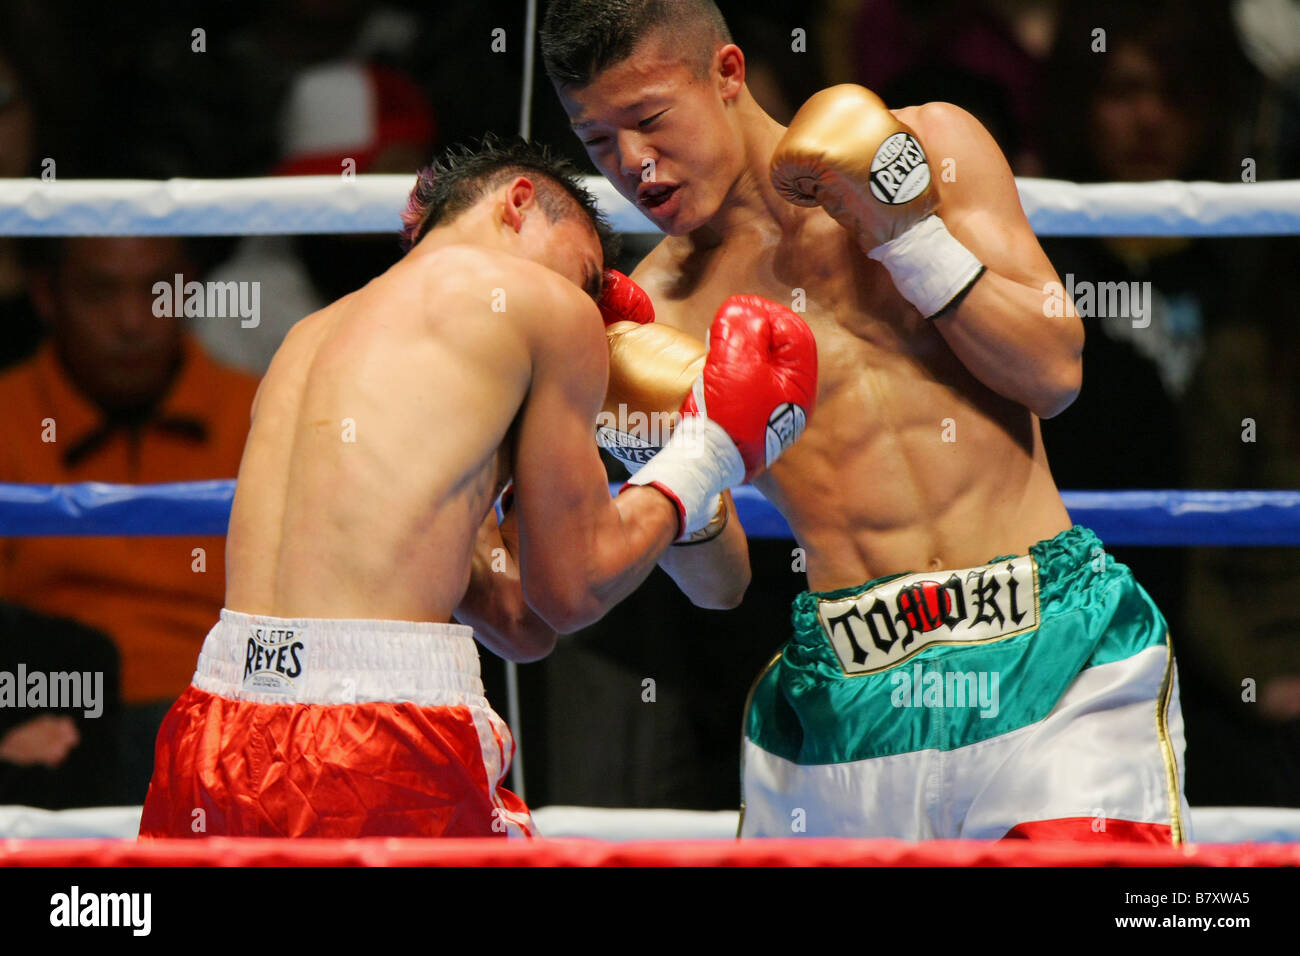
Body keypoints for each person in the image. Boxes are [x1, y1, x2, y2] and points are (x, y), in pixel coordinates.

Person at [541, 0, 1190, 842]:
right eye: (597, 144)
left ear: (728, 74)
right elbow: (722, 586)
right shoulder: (659, 310)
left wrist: (908, 237)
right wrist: (665, 457)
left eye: (650, 120)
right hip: (848, 695)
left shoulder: (927, 148)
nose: (635, 164)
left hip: (1052, 654)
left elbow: (1055, 373)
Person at [138, 138, 817, 839]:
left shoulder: (310, 335)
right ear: (519, 203)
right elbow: (573, 591)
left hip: (215, 724)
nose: (592, 300)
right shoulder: (547, 307)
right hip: (372, 744)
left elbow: (519, 623)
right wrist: (705, 453)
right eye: (586, 271)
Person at [0, 235, 261, 804]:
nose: (132, 321)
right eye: (100, 292)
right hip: (50, 721)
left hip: (232, 717)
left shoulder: (263, 413)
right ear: (46, 295)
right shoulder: (6, 417)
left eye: (157, 291)